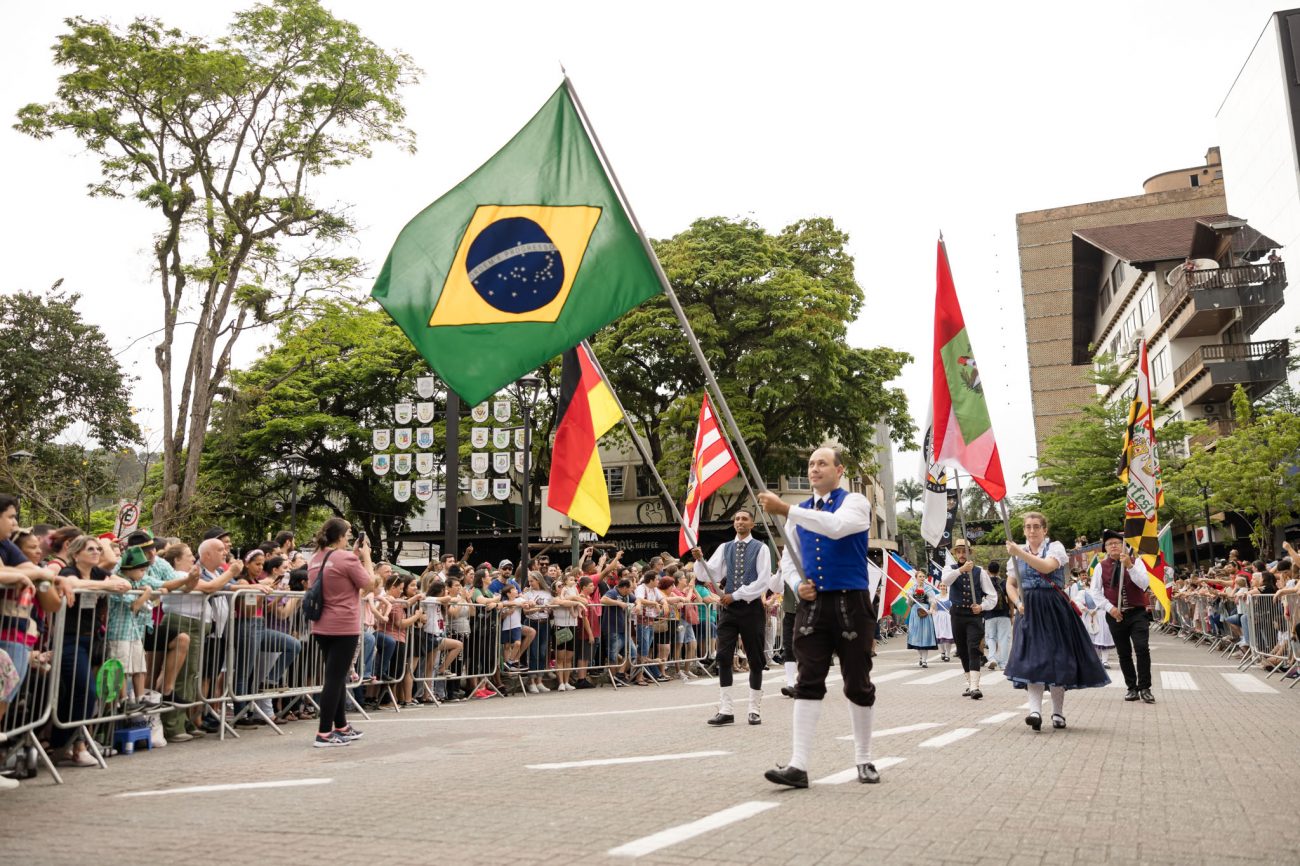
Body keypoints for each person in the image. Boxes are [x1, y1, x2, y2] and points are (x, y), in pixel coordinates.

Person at [758, 447, 880, 788]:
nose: (814, 469)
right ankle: (798, 765)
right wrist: (798, 585)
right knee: (807, 680)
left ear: (839, 470)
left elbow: (838, 528)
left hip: (851, 603)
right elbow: (787, 560)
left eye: (822, 463)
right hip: (814, 606)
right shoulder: (799, 513)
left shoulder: (855, 502)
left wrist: (787, 510)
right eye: (811, 464)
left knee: (857, 681)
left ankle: (864, 758)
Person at [1005, 512, 1110, 732]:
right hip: (1030, 609)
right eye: (1028, 527)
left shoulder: (1055, 548)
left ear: (1044, 530)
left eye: (1036, 526)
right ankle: (1034, 711)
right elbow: (1011, 584)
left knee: (1057, 659)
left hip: (1053, 607)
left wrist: (1019, 553)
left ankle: (1058, 711)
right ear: (1023, 530)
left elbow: (1047, 567)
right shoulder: (1016, 554)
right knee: (1032, 660)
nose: (1032, 530)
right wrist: (1017, 602)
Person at [692, 509, 775, 726]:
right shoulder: (725, 547)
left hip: (750, 608)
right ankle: (726, 708)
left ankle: (754, 708)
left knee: (755, 659)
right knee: (723, 656)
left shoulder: (761, 548)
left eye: (744, 519)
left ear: (752, 523)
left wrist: (735, 595)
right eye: (737, 519)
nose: (740, 522)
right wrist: (700, 561)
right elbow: (710, 574)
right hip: (729, 610)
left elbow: (763, 580)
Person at [307, 519, 380, 748]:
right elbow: (370, 584)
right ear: (339, 536)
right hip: (343, 624)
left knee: (336, 676)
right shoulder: (345, 558)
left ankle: (341, 726)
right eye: (348, 534)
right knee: (335, 679)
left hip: (321, 624)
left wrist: (354, 556)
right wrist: (365, 556)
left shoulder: (315, 558)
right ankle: (324, 732)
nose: (350, 538)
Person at [1088, 529, 1153, 703]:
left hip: (1137, 612)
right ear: (1105, 549)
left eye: (1117, 543)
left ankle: (1145, 687)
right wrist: (1110, 608)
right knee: (1124, 653)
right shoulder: (1101, 566)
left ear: (1123, 545)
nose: (1113, 546)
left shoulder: (1136, 562)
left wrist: (1130, 566)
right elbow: (1095, 592)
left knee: (1141, 648)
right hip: (1116, 616)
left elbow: (1144, 584)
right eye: (1109, 544)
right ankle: (1132, 687)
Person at [941, 538, 997, 700]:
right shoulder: (949, 569)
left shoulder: (979, 571)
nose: (961, 554)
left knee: (973, 647)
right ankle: (969, 682)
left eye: (964, 551)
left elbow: (992, 596)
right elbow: (945, 581)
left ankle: (975, 687)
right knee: (962, 649)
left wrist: (982, 606)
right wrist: (961, 570)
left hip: (974, 616)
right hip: (957, 614)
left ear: (969, 552)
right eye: (958, 551)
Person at [982, 560, 1012, 672]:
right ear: (999, 570)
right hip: (1004, 613)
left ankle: (992, 657)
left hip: (989, 614)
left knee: (990, 637)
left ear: (988, 571)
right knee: (1004, 638)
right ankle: (1003, 663)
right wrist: (1012, 614)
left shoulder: (985, 583)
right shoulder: (1004, 582)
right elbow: (1010, 600)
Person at [905, 582, 938, 667]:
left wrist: (930, 609)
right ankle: (921, 656)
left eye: (923, 576)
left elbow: (933, 601)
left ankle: (924, 660)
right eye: (920, 576)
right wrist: (909, 597)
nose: (922, 578)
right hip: (915, 613)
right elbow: (909, 603)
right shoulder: (912, 588)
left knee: (925, 636)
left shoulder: (928, 588)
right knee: (915, 636)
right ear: (916, 578)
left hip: (925, 611)